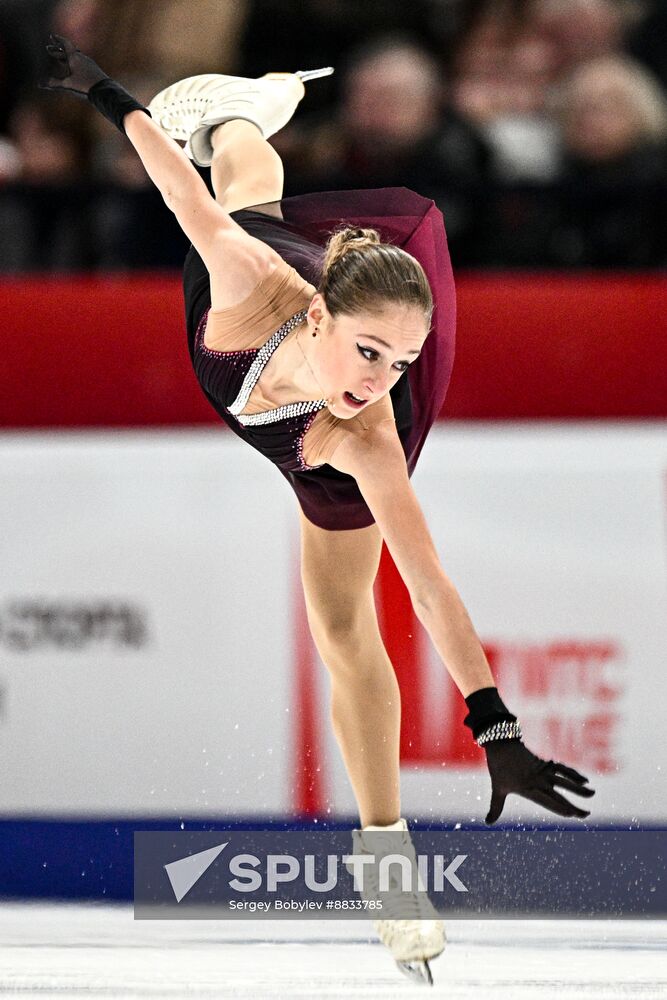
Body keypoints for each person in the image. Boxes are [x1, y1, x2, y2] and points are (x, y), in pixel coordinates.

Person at [41, 35, 596, 986]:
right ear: (320, 322)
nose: (379, 380)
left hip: (317, 459)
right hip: (254, 292)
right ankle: (245, 103)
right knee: (234, 192)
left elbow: (427, 586)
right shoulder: (252, 281)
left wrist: (494, 726)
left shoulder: (369, 435)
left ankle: (386, 868)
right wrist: (102, 92)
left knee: (344, 631)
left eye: (401, 364)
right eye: (371, 352)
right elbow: (170, 182)